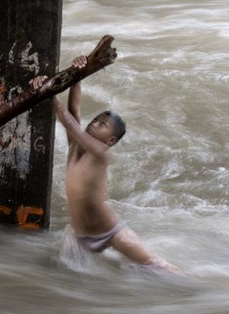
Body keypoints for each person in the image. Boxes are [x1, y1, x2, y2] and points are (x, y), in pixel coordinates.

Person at [31, 55, 182, 274]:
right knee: (62, 275)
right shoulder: (75, 147)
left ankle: (196, 286)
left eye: (102, 125)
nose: (94, 123)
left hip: (111, 232)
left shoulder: (101, 154)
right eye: (95, 119)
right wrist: (77, 76)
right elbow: (74, 111)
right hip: (79, 235)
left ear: (110, 140)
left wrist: (49, 93)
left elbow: (69, 122)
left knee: (154, 265)